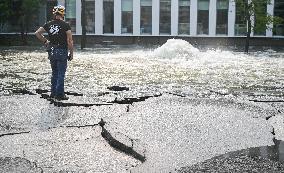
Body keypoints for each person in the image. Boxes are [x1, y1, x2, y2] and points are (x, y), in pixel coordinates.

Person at [35, 5, 73, 100]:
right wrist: (71, 53)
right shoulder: (66, 25)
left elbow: (37, 33)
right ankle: (60, 94)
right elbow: (69, 41)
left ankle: (53, 93)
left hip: (51, 50)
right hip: (62, 50)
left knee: (54, 72)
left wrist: (46, 41)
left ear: (54, 14)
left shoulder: (48, 24)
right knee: (61, 73)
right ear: (63, 14)